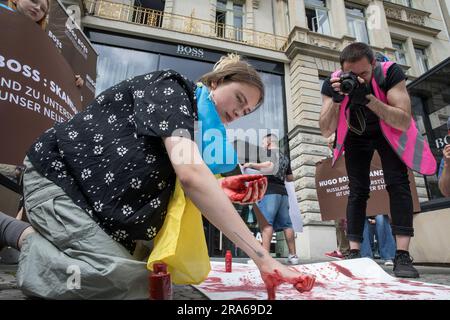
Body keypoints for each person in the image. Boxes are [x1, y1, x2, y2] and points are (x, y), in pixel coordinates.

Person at [0, 54, 315, 299]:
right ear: (217, 82)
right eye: (239, 100)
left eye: (246, 114)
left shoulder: (198, 131)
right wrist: (263, 257)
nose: (238, 114)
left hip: (100, 212)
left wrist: (220, 186)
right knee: (123, 280)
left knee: (157, 277)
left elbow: (182, 178)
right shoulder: (172, 87)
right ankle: (18, 233)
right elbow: (190, 175)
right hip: (59, 182)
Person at [319, 42, 436, 278]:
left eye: (363, 73)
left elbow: (403, 120)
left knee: (398, 183)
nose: (358, 79)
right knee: (357, 189)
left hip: (388, 130)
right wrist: (337, 101)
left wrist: (368, 98)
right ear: (343, 70)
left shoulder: (390, 72)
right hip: (356, 133)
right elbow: (325, 129)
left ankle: (402, 255)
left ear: (374, 64)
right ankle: (354, 254)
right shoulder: (334, 83)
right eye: (352, 75)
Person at [243, 133, 299, 265]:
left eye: (263, 143)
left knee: (266, 224)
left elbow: (269, 165)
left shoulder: (268, 153)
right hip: (283, 194)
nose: (263, 145)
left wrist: (251, 164)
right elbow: (290, 178)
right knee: (287, 225)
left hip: (270, 192)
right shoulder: (285, 158)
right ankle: (293, 256)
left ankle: (264, 258)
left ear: (268, 142)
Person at [1, 0, 84, 87]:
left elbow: (48, 71)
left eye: (43, 9)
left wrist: (71, 79)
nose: (37, 8)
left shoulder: (41, 44)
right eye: (34, 1)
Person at [323, 134, 350, 260]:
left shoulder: (347, 153)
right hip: (336, 194)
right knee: (339, 222)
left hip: (349, 192)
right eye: (329, 143)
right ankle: (342, 250)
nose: (330, 145)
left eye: (333, 142)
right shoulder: (329, 158)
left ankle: (349, 250)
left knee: (348, 222)